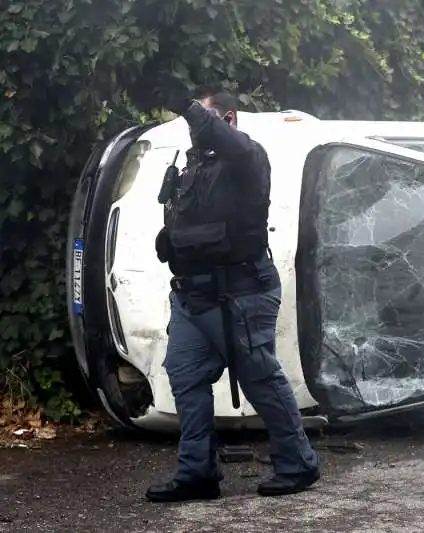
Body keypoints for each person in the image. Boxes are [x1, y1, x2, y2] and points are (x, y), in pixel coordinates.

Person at [145, 83, 320, 503]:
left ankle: (298, 463)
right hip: (192, 297)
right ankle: (198, 473)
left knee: (260, 377)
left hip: (240, 293)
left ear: (226, 120)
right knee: (185, 377)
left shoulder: (247, 157)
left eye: (202, 120)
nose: (193, 130)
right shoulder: (194, 166)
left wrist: (188, 107)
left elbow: (228, 145)